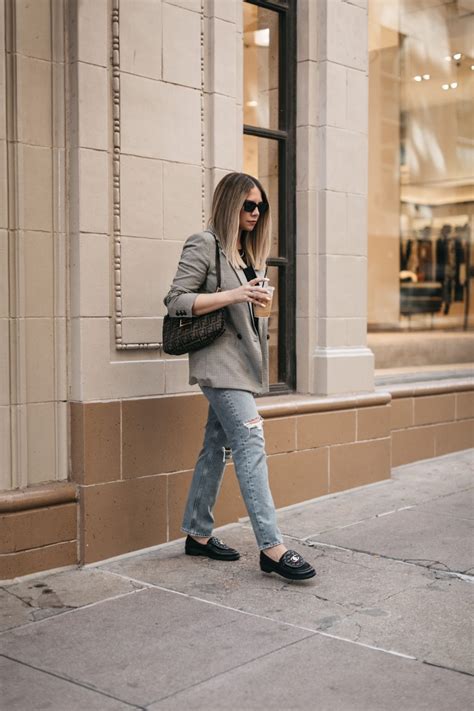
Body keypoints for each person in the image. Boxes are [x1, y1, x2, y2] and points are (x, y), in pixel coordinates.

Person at [164, 172, 316, 581]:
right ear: (230, 204)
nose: (256, 212)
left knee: (216, 446)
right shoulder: (204, 244)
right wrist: (237, 294)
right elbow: (175, 300)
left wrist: (256, 301)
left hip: (243, 365)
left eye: (261, 206)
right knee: (251, 443)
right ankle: (271, 547)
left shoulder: (245, 253)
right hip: (219, 366)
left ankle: (197, 535)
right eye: (249, 205)